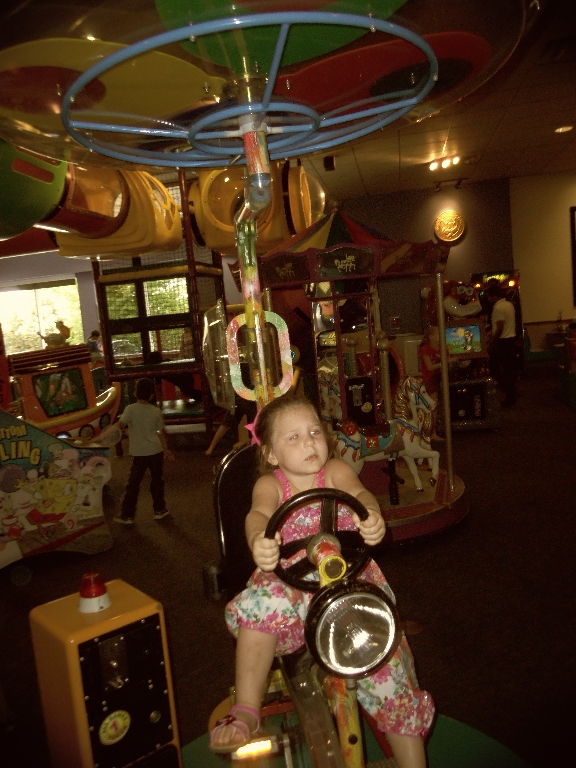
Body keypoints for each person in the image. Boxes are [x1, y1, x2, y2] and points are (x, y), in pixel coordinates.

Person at [210, 395, 434, 767]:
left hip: (348, 581)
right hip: (291, 583)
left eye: (314, 431)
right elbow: (258, 514)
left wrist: (371, 516)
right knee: (260, 606)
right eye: (294, 437)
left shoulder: (334, 470)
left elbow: (360, 494)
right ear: (271, 454)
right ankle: (246, 707)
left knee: (388, 660)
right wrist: (258, 540)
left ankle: (410, 750)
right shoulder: (271, 484)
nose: (309, 442)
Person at [108, 377, 175, 524]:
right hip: (156, 451)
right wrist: (166, 449)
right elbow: (160, 432)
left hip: (139, 453)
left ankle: (127, 515)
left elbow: (120, 424)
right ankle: (159, 510)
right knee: (157, 481)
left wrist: (104, 435)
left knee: (133, 484)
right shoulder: (155, 411)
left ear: (135, 393)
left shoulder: (130, 409)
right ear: (152, 395)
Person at [485, 286, 518, 407]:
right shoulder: (509, 305)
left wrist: (491, 343)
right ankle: (511, 395)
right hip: (511, 340)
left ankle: (510, 392)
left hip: (502, 342)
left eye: (489, 296)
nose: (488, 299)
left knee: (494, 368)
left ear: (494, 295)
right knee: (509, 370)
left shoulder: (498, 308)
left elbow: (500, 328)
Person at [418, 325, 446, 441]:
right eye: (437, 334)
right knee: (433, 405)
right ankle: (431, 431)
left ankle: (433, 430)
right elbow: (429, 367)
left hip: (438, 378)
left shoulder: (441, 348)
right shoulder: (425, 349)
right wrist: (443, 363)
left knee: (436, 405)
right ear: (431, 337)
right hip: (430, 379)